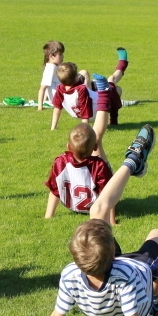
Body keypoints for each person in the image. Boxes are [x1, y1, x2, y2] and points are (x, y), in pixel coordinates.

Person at [16, 125, 158, 316]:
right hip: (139, 279)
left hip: (107, 274)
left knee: (97, 210)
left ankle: (133, 162)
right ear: (112, 252)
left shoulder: (71, 274)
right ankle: (132, 161)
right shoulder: (126, 277)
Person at [46, 81, 116, 221]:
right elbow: (109, 193)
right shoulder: (99, 165)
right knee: (98, 138)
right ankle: (103, 95)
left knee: (96, 137)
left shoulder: (60, 161)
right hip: (96, 209)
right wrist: (112, 221)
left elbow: (54, 190)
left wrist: (48, 216)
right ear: (93, 149)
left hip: (72, 206)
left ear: (67, 146)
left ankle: (103, 94)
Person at [49, 51, 127, 129]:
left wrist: (53, 128)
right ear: (76, 77)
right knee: (114, 83)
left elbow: (57, 108)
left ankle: (113, 120)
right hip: (99, 110)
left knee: (84, 72)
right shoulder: (81, 90)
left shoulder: (60, 88)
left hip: (84, 111)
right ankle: (122, 64)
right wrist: (85, 129)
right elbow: (85, 110)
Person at [36, 40, 65, 110]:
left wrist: (45, 100)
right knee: (84, 73)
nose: (63, 56)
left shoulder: (55, 66)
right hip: (61, 99)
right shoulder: (50, 68)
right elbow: (43, 88)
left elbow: (48, 85)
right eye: (60, 54)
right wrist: (40, 107)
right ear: (52, 56)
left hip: (62, 97)